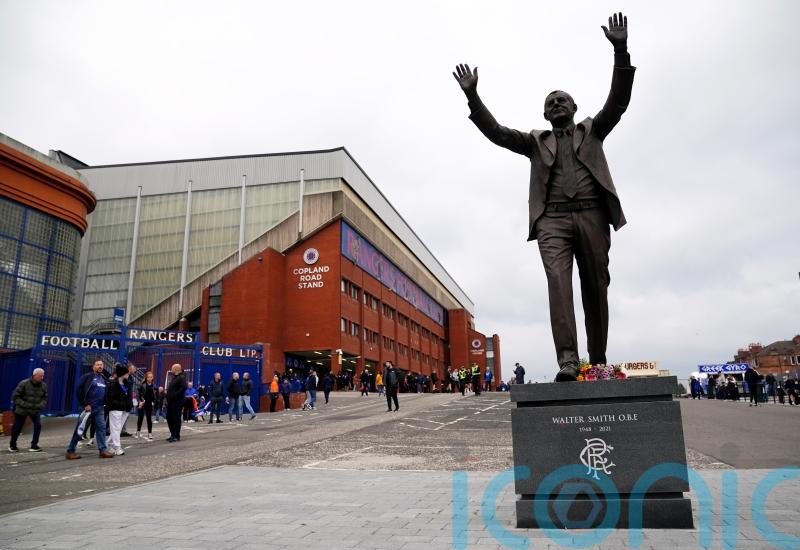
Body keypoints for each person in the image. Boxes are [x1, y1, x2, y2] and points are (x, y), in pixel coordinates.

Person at [454, 13, 635, 382]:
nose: (556, 104)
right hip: (552, 220)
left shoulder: (593, 130)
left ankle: (596, 359)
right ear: (543, 113)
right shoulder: (534, 142)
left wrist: (620, 50)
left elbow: (618, 101)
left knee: (596, 285)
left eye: (562, 99)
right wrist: (473, 95)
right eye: (550, 102)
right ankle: (568, 361)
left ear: (573, 106)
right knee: (558, 284)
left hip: (592, 215)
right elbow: (497, 132)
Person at [66, 360, 114, 460]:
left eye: (101, 365)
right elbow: (79, 390)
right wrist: (85, 404)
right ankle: (71, 451)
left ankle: (102, 450)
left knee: (101, 429)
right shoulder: (87, 377)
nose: (100, 366)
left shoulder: (103, 378)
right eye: (97, 365)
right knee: (80, 429)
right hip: (88, 408)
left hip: (100, 408)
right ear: (93, 367)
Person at [9, 368, 48, 453]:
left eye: (42, 376)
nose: (42, 377)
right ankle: (12, 445)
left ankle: (34, 445)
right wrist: (25, 405)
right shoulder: (24, 383)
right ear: (34, 375)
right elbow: (15, 397)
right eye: (40, 376)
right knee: (17, 427)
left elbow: (45, 397)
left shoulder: (44, 385)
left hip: (35, 410)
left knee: (38, 425)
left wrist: (41, 405)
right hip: (22, 410)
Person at [106, 363, 132, 455]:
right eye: (127, 373)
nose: (128, 375)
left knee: (118, 428)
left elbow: (129, 396)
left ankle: (109, 444)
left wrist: (129, 405)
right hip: (115, 409)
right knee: (116, 428)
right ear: (122, 374)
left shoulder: (127, 383)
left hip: (124, 409)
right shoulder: (113, 384)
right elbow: (111, 398)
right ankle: (117, 447)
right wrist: (121, 404)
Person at [166, 363, 187, 442]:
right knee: (169, 418)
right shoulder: (175, 377)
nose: (171, 370)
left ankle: (176, 435)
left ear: (176, 369)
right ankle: (172, 434)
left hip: (177, 401)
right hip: (171, 401)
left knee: (176, 418)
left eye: (172, 368)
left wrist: (175, 395)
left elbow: (184, 387)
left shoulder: (181, 377)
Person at [135, 371, 157, 440]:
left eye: (151, 377)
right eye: (148, 377)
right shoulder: (142, 385)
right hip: (143, 402)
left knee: (149, 419)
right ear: (146, 378)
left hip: (149, 404)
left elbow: (156, 395)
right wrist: (141, 400)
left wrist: (154, 401)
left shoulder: (154, 386)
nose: (150, 378)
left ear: (152, 378)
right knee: (140, 417)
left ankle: (150, 433)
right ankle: (138, 431)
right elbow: (138, 393)